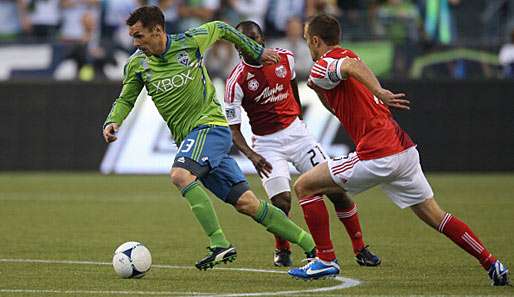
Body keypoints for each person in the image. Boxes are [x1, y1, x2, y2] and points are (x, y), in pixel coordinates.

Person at [287, 14, 510, 286]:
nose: (307, 46)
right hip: (403, 151)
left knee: (305, 186)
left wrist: (379, 91)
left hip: (378, 154)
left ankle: (325, 259)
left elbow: (350, 67)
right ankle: (492, 263)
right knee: (436, 216)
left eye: (307, 40)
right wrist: (326, 93)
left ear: (315, 40)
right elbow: (343, 81)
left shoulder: (325, 64)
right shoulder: (342, 56)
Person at [102, 6, 317, 271]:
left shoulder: (189, 42)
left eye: (139, 36)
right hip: (189, 138)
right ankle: (311, 246)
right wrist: (114, 119)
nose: (135, 43)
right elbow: (126, 97)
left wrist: (258, 51)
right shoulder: (137, 63)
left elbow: (223, 28)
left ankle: (219, 243)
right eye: (133, 37)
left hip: (210, 127)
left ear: (157, 31)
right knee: (247, 203)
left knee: (180, 175)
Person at [224, 20, 381, 268]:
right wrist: (252, 155)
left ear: (263, 40)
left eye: (254, 39)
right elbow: (233, 130)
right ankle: (282, 247)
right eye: (242, 42)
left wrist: (297, 117)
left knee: (336, 192)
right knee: (282, 201)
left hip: (297, 135)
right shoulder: (236, 81)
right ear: (237, 48)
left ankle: (360, 248)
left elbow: (293, 89)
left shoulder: (285, 58)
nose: (249, 45)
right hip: (266, 144)